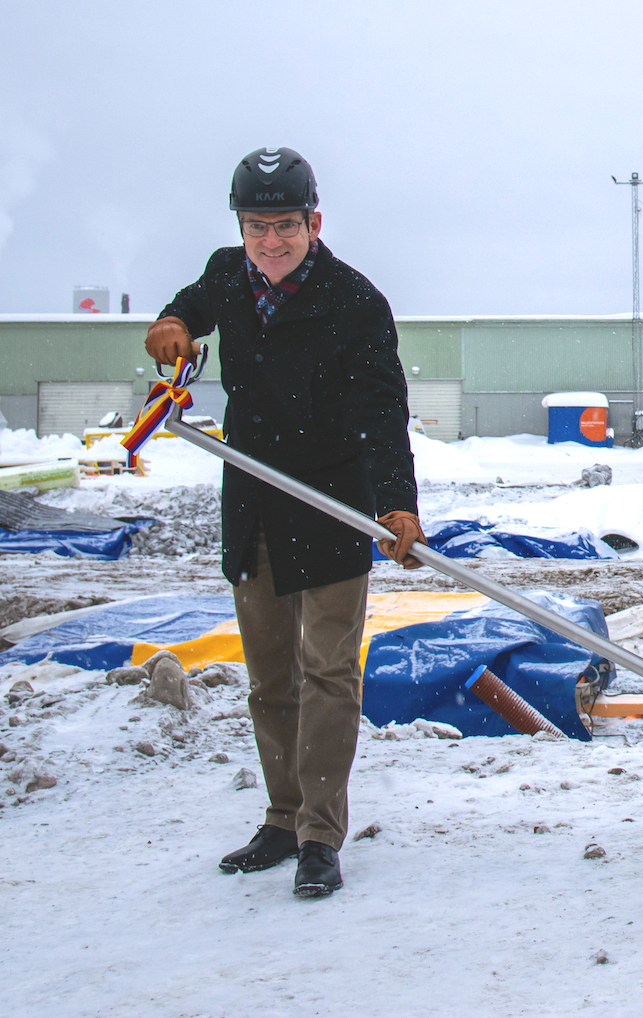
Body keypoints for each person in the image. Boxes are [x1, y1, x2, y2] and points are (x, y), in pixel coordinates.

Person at [145, 147, 425, 898]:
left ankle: (319, 836)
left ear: (314, 222)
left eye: (285, 226)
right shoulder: (227, 275)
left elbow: (380, 409)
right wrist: (174, 322)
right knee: (269, 675)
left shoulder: (352, 300)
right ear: (240, 228)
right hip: (254, 501)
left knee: (327, 672)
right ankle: (281, 816)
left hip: (332, 502)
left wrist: (396, 503)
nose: (270, 242)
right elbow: (194, 304)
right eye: (256, 227)